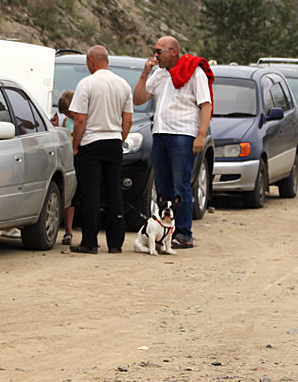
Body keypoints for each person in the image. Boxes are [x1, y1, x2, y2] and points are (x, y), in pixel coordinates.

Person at [133, 36, 213, 250]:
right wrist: (144, 74)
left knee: (181, 185)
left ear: (174, 52)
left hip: (183, 134)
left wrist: (201, 135)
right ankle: (165, 232)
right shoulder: (159, 74)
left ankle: (184, 233)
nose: (156, 55)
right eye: (155, 51)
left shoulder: (193, 72)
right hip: (160, 133)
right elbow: (138, 99)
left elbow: (206, 105)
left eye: (160, 51)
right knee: (163, 185)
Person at [67, 46, 133, 254]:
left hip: (91, 143)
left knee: (91, 194)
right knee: (114, 193)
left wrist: (75, 146)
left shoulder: (86, 84)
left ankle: (90, 242)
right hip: (113, 142)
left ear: (91, 62)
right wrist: (119, 140)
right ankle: (115, 243)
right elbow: (128, 120)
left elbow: (79, 119)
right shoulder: (123, 84)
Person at [54, 90, 77, 245]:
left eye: (69, 111)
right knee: (69, 198)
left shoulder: (83, 119)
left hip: (79, 159)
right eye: (65, 113)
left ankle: (70, 230)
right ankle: (67, 230)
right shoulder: (66, 122)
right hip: (69, 160)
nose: (68, 115)